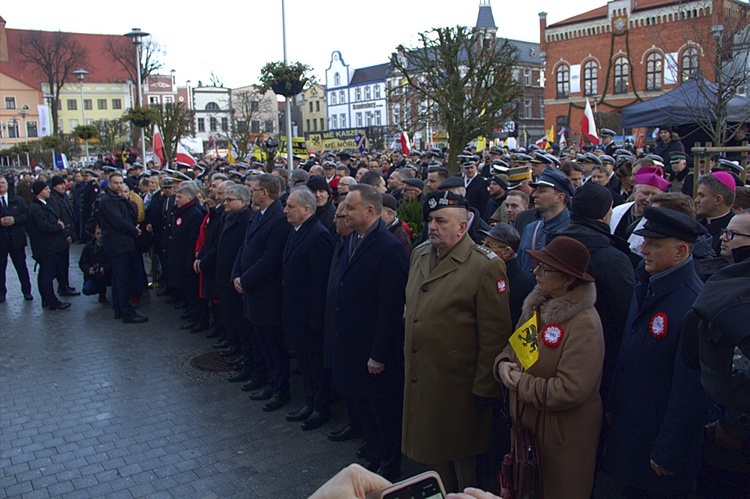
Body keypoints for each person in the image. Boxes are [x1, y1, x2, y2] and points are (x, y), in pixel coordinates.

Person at [403, 191, 512, 493]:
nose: (432, 226)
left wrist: (485, 388)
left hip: (459, 386)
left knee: (463, 468)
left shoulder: (484, 266)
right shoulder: (421, 253)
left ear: (462, 228)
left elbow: (495, 334)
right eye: (430, 220)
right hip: (425, 375)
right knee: (433, 460)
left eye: (440, 221)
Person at [606, 207, 711, 498]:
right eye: (645, 241)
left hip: (657, 444)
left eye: (654, 244)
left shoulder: (691, 304)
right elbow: (627, 355)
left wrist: (669, 450)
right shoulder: (649, 284)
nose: (644, 249)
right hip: (634, 430)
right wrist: (614, 403)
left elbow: (690, 391)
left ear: (680, 252)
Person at [495, 236, 604, 498]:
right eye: (537, 265)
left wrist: (521, 384)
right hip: (528, 431)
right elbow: (515, 348)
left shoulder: (584, 323)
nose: (535, 272)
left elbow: (571, 389)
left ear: (568, 279)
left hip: (561, 440)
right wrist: (504, 365)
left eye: (545, 269)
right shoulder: (537, 306)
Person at [332, 184, 409, 481]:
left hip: (375, 352)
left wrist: (378, 354)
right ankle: (375, 454)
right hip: (354, 343)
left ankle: (389, 465)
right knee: (365, 407)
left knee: (383, 411)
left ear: (370, 211)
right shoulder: (353, 239)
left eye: (350, 208)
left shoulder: (389, 248)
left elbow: (391, 308)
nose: (343, 213)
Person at [683, 209, 750, 498]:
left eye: (733, 235)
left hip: (736, 429)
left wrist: (736, 425)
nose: (723, 238)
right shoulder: (724, 277)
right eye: (726, 231)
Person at [233, 174, 292, 412]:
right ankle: (268, 381)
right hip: (252, 291)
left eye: (254, 189)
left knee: (273, 345)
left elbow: (271, 259)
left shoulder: (279, 218)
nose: (251, 193)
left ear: (265, 193)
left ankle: (280, 389)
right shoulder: (258, 214)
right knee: (262, 343)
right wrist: (236, 274)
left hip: (267, 294)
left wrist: (245, 280)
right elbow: (245, 247)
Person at [281, 187, 334, 430]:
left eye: (290, 206)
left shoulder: (318, 235)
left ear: (306, 209)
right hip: (296, 312)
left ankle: (321, 407)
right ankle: (310, 401)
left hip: (310, 317)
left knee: (315, 364)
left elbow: (319, 282)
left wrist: (316, 320)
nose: (285, 211)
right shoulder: (296, 231)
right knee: (305, 362)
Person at [97, 173, 148, 323]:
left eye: (121, 183)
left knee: (119, 277)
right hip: (118, 245)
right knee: (122, 278)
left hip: (123, 243)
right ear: (109, 184)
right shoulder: (107, 201)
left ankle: (120, 307)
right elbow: (118, 221)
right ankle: (126, 310)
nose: (119, 186)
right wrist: (134, 230)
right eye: (116, 183)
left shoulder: (117, 199)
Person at [517, 166, 575, 274]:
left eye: (542, 191)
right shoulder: (531, 228)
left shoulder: (574, 230)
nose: (534, 195)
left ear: (560, 197)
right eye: (536, 190)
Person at [478, 223, 533, 328]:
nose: (482, 248)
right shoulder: (484, 272)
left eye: (488, 245)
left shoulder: (523, 286)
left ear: (507, 252)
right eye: (483, 243)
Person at [27, 181, 70, 310]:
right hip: (46, 247)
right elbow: (44, 227)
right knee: (47, 274)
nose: (49, 191)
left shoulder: (42, 205)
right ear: (40, 191)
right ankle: (51, 301)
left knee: (45, 273)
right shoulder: (36, 208)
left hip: (48, 246)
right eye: (46, 189)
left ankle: (46, 299)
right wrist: (58, 226)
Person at [0, 175, 32, 302]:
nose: (1, 185)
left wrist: (14, 220)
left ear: (7, 185)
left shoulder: (17, 200)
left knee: (21, 267)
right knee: (0, 269)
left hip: (16, 240)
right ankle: (1, 293)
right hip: (1, 240)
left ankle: (27, 291)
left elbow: (26, 216)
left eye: (2, 183)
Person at [47, 176, 79, 297]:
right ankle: (63, 286)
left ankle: (65, 284)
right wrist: (66, 234)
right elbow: (58, 218)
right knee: (61, 263)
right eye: (60, 184)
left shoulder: (63, 196)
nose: (62, 186)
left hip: (67, 232)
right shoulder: (53, 199)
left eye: (63, 184)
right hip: (61, 236)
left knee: (65, 262)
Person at [695, 171, 736, 256]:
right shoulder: (695, 222)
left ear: (718, 200)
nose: (696, 200)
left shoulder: (734, 230)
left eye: (701, 195)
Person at [78, 225, 111, 303]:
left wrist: (105, 268)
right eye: (98, 233)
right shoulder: (89, 247)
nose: (100, 236)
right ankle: (101, 292)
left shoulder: (110, 246)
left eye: (101, 233)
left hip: (108, 273)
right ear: (95, 234)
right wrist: (88, 269)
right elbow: (82, 263)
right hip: (93, 276)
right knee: (87, 289)